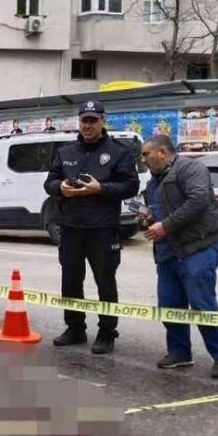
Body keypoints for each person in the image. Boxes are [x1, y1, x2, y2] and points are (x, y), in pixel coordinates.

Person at [43, 100, 140, 354]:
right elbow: (49, 182)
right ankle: (75, 328)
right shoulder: (66, 151)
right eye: (84, 120)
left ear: (102, 121)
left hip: (102, 228)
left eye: (93, 120)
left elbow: (131, 186)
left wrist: (101, 189)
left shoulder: (120, 151)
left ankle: (107, 333)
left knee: (105, 282)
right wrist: (59, 188)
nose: (88, 125)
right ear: (79, 122)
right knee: (71, 281)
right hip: (71, 227)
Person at [138, 134, 218, 378]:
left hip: (199, 247)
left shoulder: (191, 168)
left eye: (146, 154)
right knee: (169, 305)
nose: (143, 159)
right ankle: (180, 353)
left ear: (162, 152)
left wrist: (165, 225)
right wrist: (148, 219)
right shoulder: (152, 183)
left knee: (202, 304)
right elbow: (157, 212)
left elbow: (198, 200)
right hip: (168, 252)